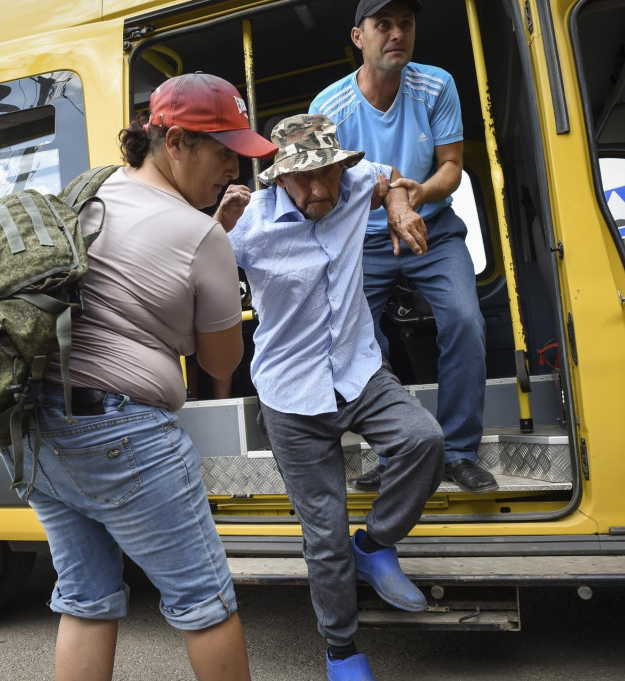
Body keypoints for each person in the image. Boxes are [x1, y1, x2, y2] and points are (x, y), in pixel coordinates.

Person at [4, 73, 278, 681]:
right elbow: (220, 364)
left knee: (86, 597)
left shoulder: (92, 194)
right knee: (205, 603)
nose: (233, 168)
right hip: (123, 436)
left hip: (38, 429)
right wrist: (218, 252)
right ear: (175, 141)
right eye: (221, 149)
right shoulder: (202, 234)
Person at [215, 113, 444, 681]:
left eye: (329, 175)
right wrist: (212, 233)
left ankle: (377, 542)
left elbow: (385, 174)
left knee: (424, 441)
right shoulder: (249, 226)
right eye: (304, 179)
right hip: (291, 391)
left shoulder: (354, 181)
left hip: (359, 368)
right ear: (279, 178)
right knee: (324, 532)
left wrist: (396, 202)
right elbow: (190, 276)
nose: (320, 190)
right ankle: (342, 652)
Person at [310, 0, 497, 493]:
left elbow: (452, 167)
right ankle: (399, 451)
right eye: (383, 25)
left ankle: (457, 451)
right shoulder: (329, 109)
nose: (396, 34)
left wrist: (414, 194)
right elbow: (324, 189)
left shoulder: (437, 85)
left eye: (405, 24)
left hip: (432, 231)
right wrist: (391, 195)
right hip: (360, 241)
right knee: (358, 343)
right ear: (359, 37)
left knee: (464, 320)